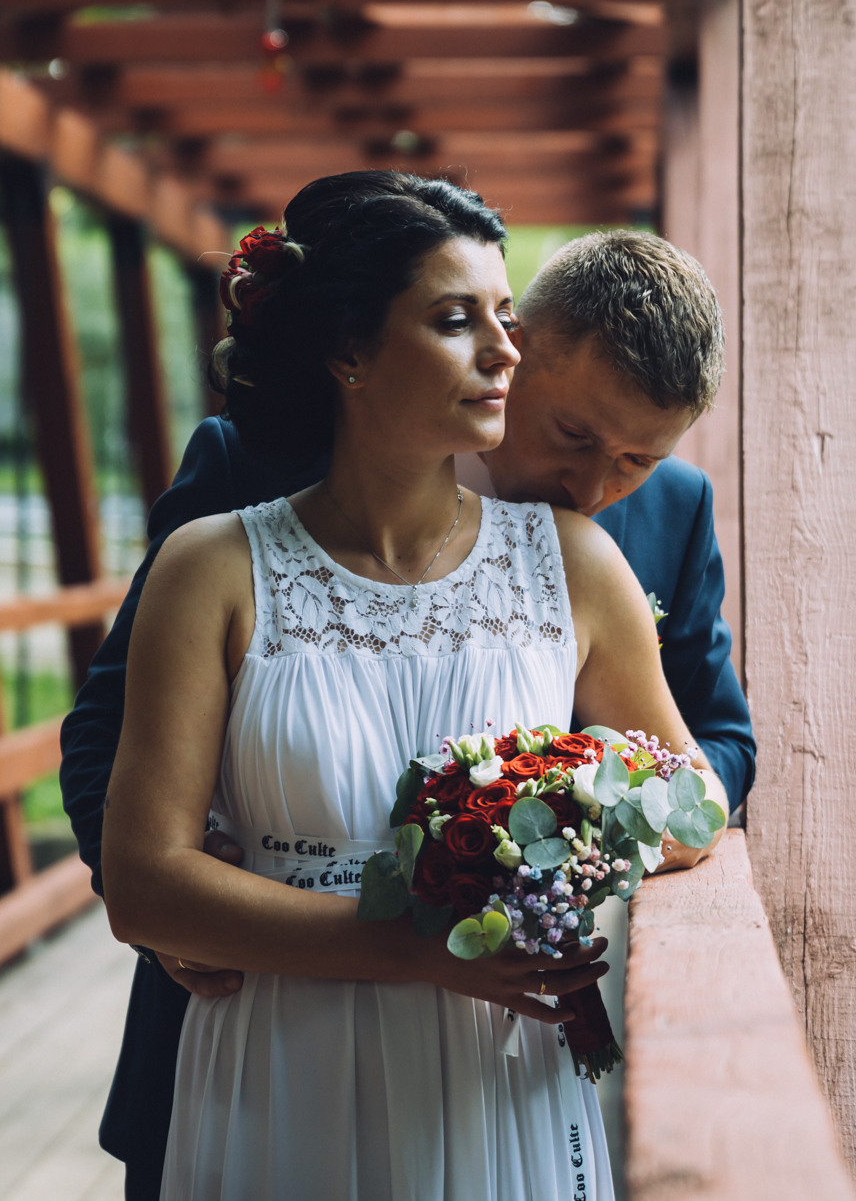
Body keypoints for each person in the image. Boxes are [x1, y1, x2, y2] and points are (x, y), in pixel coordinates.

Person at [63, 178, 754, 1199]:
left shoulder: (590, 554)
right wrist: (185, 898)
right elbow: (110, 738)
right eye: (573, 438)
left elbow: (706, 761)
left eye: (637, 463)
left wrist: (548, 811)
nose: (600, 488)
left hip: (492, 1051)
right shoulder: (234, 505)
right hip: (259, 1021)